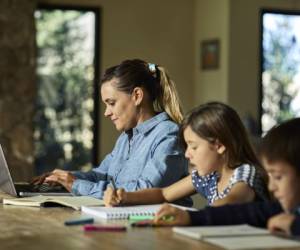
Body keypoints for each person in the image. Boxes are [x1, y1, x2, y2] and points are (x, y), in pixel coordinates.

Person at [32, 59, 190, 200]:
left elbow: (142, 191)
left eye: (111, 103)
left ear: (137, 95)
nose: (106, 112)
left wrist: (75, 184)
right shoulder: (126, 137)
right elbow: (101, 175)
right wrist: (64, 179)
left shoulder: (169, 135)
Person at [153, 118, 300, 237]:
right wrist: (190, 218)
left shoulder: (245, 173)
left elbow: (233, 200)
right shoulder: (279, 208)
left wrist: (294, 224)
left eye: (279, 177)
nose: (271, 187)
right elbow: (243, 212)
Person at [103, 102, 269, 207]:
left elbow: (230, 202)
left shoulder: (245, 174)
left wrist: (187, 217)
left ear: (219, 146)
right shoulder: (209, 176)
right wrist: (125, 196)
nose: (187, 154)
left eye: (193, 147)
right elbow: (164, 193)